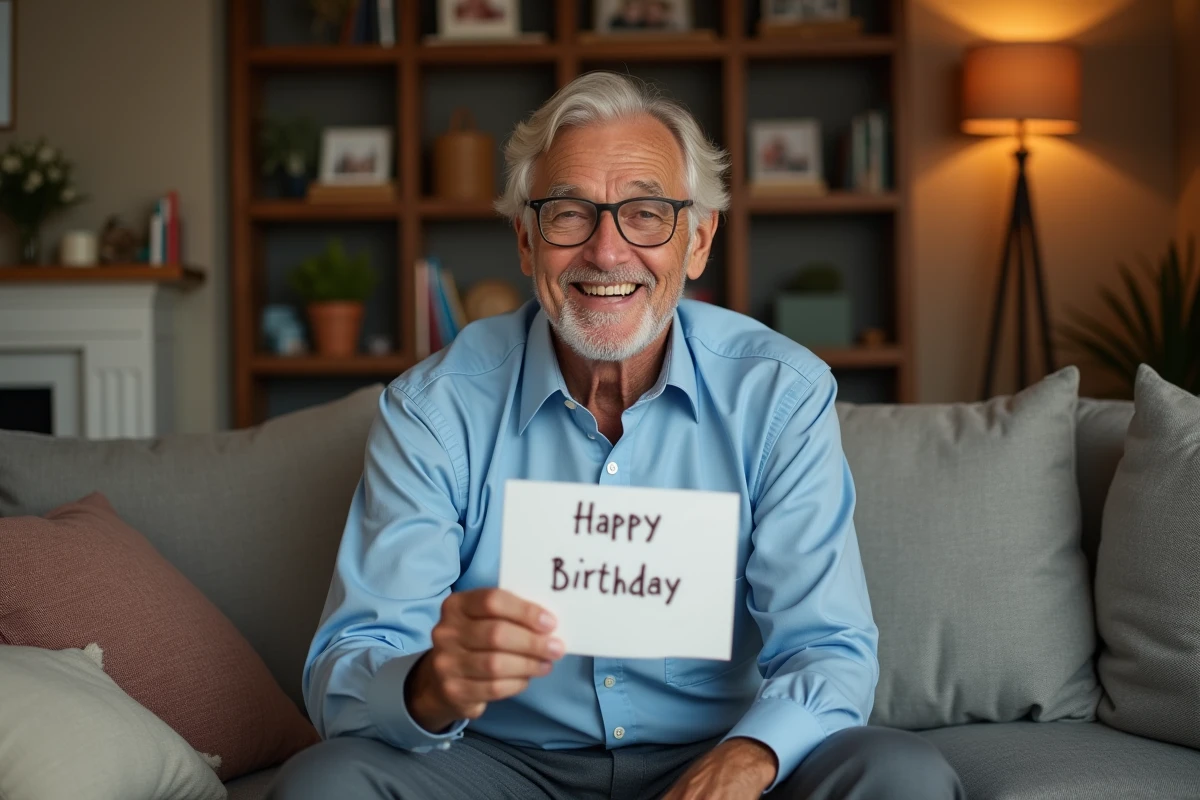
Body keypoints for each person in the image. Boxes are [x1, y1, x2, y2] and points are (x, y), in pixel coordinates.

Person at [268, 72, 963, 800]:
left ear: (696, 242)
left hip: (716, 752)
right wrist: (430, 685)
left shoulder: (780, 397)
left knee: (902, 776)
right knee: (325, 785)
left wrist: (748, 759)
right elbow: (349, 664)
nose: (606, 251)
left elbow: (828, 647)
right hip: (496, 765)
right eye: (570, 214)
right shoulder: (433, 410)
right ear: (526, 241)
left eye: (646, 213)